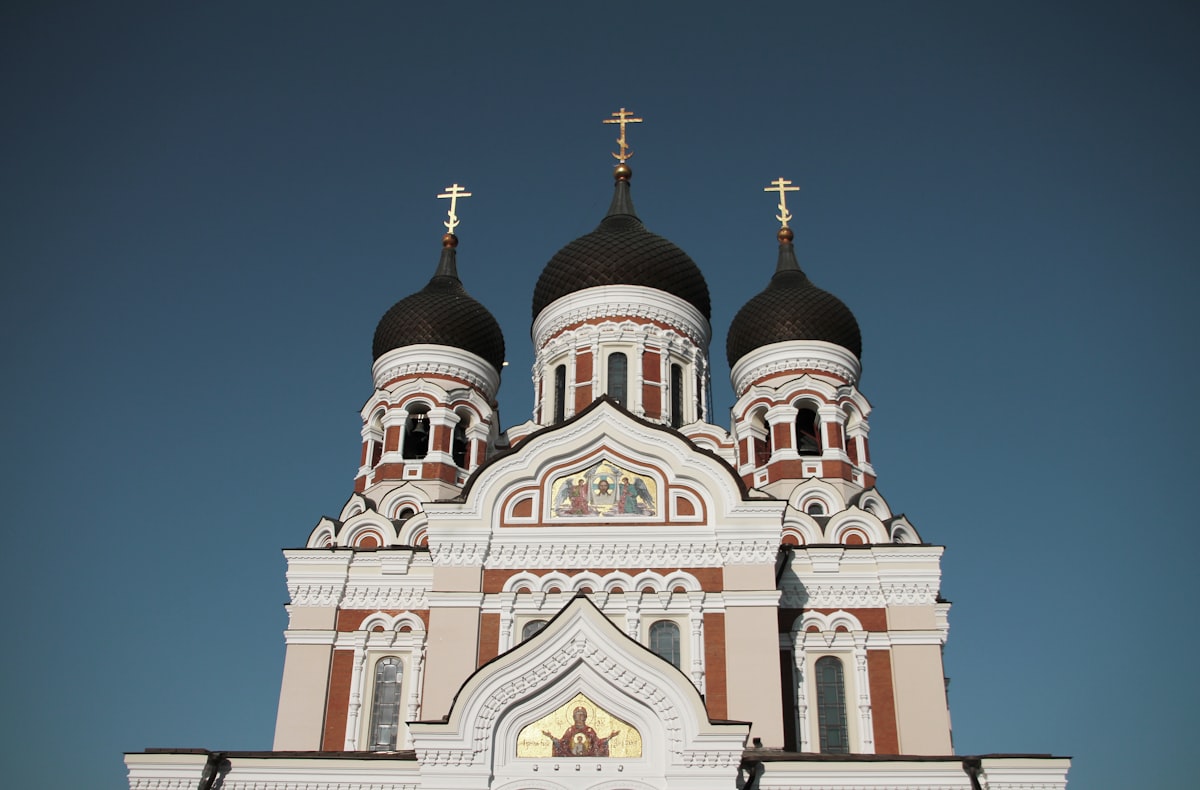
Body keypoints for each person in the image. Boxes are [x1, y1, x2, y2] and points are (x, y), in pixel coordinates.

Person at [541, 706, 619, 757]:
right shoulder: (570, 730)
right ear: (574, 717)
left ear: (585, 717)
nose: (580, 717)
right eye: (578, 715)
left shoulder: (589, 731)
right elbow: (562, 744)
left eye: (582, 715)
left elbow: (597, 743)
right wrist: (551, 737)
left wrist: (609, 737)